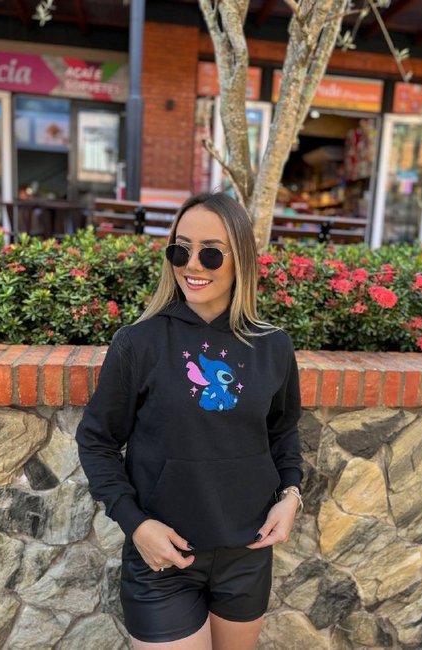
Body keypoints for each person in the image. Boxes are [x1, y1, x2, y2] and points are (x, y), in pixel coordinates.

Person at [76, 192, 303, 650]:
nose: (192, 265)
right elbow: (97, 440)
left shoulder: (273, 346)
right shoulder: (139, 343)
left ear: (241, 259)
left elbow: (282, 431)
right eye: (180, 250)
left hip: (246, 554)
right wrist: (136, 525)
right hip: (164, 559)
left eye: (211, 253)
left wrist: (291, 495)